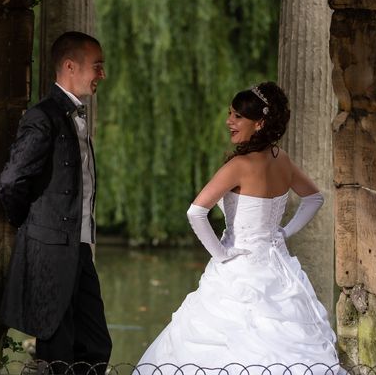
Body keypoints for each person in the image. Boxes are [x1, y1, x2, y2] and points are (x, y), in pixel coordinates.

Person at [136, 81, 344, 375]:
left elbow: (196, 212)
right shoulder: (281, 159)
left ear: (259, 123)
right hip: (277, 266)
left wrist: (221, 255)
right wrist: (284, 232)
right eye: (230, 114)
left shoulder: (240, 165)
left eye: (237, 117)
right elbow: (314, 198)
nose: (228, 122)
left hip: (239, 266)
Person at [0, 32, 112, 374]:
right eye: (97, 67)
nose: (102, 75)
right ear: (69, 66)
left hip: (77, 247)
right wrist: (32, 225)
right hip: (49, 249)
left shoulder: (76, 116)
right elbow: (10, 181)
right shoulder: (42, 117)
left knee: (96, 345)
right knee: (57, 349)